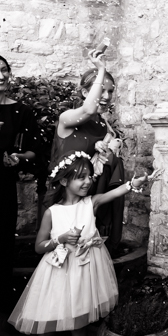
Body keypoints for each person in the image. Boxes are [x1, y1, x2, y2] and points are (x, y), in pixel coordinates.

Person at [8, 151, 155, 336]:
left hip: (85, 276)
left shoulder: (91, 203)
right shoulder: (52, 213)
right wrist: (59, 239)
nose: (87, 182)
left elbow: (114, 193)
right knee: (47, 328)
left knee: (79, 328)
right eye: (80, 177)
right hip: (58, 277)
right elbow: (39, 247)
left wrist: (133, 184)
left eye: (89, 177)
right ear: (64, 182)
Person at [0, 52, 41, 336]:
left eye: (4, 70)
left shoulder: (23, 111)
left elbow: (33, 152)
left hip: (1, 189)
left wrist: (18, 159)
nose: (0, 76)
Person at [51, 49, 127, 251]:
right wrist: (100, 69)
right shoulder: (67, 118)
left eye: (110, 91)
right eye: (102, 90)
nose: (107, 96)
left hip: (91, 196)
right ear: (86, 92)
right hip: (65, 197)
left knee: (88, 251)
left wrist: (106, 151)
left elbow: (100, 161)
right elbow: (88, 110)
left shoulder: (103, 126)